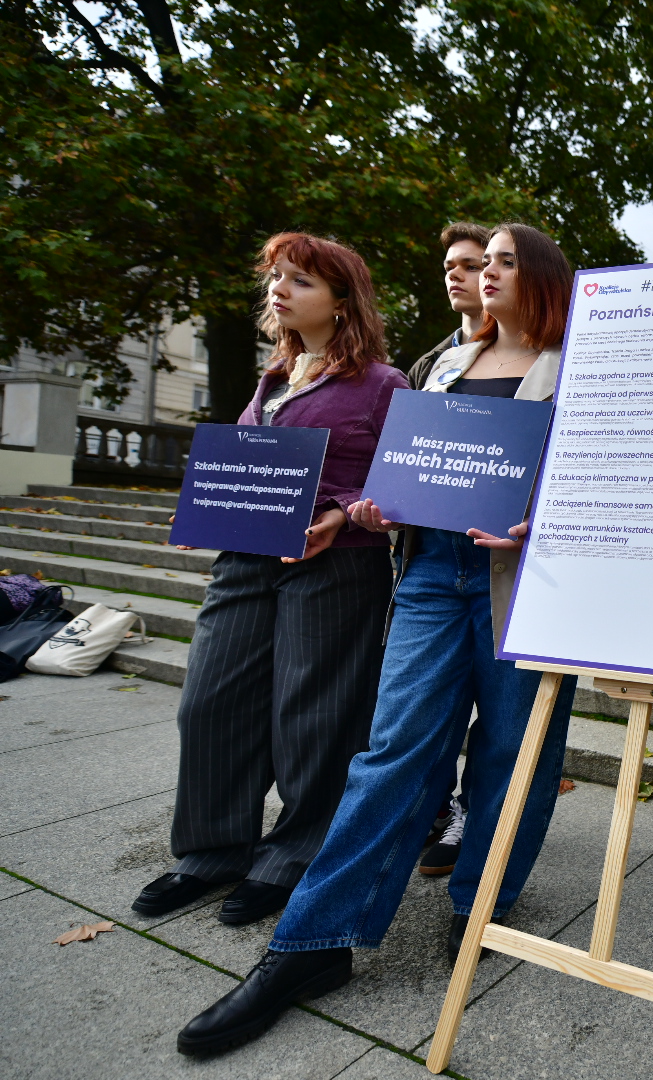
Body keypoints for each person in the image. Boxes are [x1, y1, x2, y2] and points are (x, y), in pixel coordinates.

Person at [176, 223, 581, 1057]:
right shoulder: (440, 368)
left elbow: (602, 481)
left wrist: (543, 522)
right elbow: (407, 474)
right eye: (483, 261)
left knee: (512, 749)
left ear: (538, 276)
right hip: (434, 575)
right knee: (393, 749)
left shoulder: (579, 369)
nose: (486, 272)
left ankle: (479, 904)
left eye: (505, 260)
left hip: (529, 583)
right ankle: (312, 941)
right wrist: (375, 506)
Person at [133, 234, 407, 926]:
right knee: (210, 701)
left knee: (312, 717)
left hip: (335, 562)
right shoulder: (273, 375)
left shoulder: (383, 383)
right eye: (277, 279)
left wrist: (345, 513)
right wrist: (211, 498)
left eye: (301, 282)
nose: (279, 290)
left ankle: (293, 856)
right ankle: (212, 852)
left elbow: (400, 483)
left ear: (343, 301)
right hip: (246, 558)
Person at [408, 220, 495, 878]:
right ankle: (431, 808)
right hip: (433, 558)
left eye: (472, 263)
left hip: (498, 562)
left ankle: (473, 814)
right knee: (419, 711)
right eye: (452, 266)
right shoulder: (428, 367)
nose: (458, 274)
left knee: (494, 717)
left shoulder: (542, 360)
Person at [405, 221, 491, 392]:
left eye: (471, 267)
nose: (453, 274)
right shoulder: (426, 367)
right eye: (449, 268)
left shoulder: (530, 358)